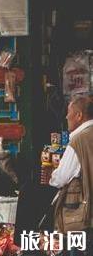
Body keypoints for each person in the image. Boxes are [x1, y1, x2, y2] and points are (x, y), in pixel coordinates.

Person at [50, 95, 93, 241]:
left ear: (79, 115)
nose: (66, 116)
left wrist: (53, 176)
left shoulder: (78, 140)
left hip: (83, 214)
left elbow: (61, 178)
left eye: (69, 112)